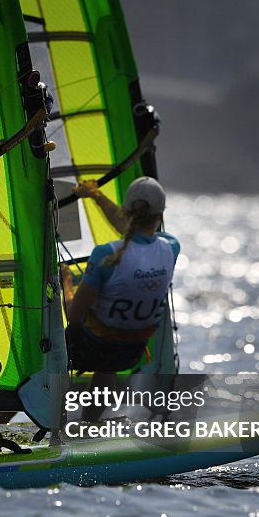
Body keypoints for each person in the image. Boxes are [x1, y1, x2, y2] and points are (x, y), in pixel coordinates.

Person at [60, 176, 179, 421]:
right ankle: (89, 422)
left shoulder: (106, 254)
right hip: (132, 351)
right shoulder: (172, 247)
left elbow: (73, 315)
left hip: (90, 347)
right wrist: (97, 196)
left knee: (44, 351)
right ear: (160, 215)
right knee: (108, 361)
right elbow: (133, 233)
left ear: (128, 210)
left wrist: (66, 283)